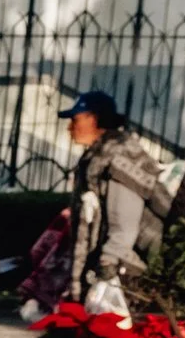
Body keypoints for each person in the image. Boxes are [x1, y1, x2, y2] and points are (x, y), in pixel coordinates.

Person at [60, 90, 176, 314]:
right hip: (115, 264)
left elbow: (124, 222)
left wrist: (108, 264)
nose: (70, 128)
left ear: (93, 119)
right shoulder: (97, 156)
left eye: (75, 120)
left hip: (128, 269)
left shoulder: (119, 158)